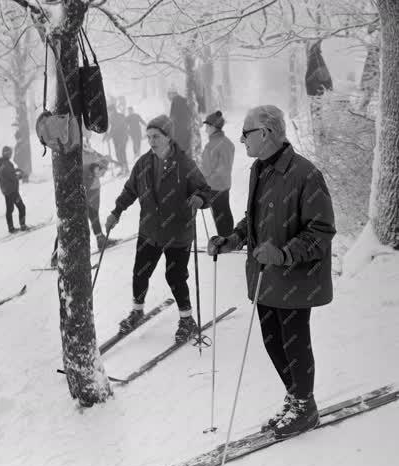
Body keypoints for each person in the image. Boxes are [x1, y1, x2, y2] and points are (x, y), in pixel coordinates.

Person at [208, 105, 336, 440]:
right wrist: (232, 239)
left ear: (265, 133)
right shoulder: (258, 170)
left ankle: (305, 407)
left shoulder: (306, 174)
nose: (242, 140)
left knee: (294, 341)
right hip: (265, 277)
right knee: (272, 340)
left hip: (295, 278)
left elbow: (321, 231)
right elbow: (253, 219)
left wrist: (283, 254)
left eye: (246, 133)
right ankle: (295, 397)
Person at [105, 115, 212, 341]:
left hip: (177, 232)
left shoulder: (184, 164)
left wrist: (200, 199)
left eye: (156, 136)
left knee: (175, 276)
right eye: (149, 137)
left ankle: (186, 319)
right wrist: (116, 212)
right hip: (150, 231)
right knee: (140, 273)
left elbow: (205, 190)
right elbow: (130, 190)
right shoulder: (144, 163)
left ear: (168, 137)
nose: (152, 141)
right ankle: (136, 311)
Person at [199, 111, 235, 236]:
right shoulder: (213, 143)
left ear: (213, 127)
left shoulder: (223, 144)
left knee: (221, 213)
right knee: (221, 211)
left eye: (207, 127)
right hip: (215, 185)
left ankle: (226, 239)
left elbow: (223, 168)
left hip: (218, 186)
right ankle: (227, 238)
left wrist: (208, 179)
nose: (205, 130)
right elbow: (206, 166)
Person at [0, 146, 27, 234]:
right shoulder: (6, 164)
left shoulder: (1, 163)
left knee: (9, 209)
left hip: (6, 190)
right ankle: (23, 225)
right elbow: (12, 177)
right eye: (10, 153)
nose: (11, 154)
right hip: (12, 190)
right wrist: (20, 175)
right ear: (7, 153)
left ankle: (11, 227)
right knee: (21, 207)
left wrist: (15, 170)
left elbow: (7, 173)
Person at [105, 105, 130, 175]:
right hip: (116, 139)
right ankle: (123, 168)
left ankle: (125, 169)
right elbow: (111, 127)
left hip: (122, 137)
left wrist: (109, 136)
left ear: (112, 111)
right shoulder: (112, 117)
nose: (108, 113)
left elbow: (116, 128)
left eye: (109, 111)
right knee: (118, 154)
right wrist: (106, 136)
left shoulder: (118, 116)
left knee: (121, 153)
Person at [168, 87, 193, 155]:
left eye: (168, 95)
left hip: (178, 131)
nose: (168, 98)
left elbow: (172, 118)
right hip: (187, 130)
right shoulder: (184, 100)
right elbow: (190, 113)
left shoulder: (175, 101)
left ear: (172, 94)